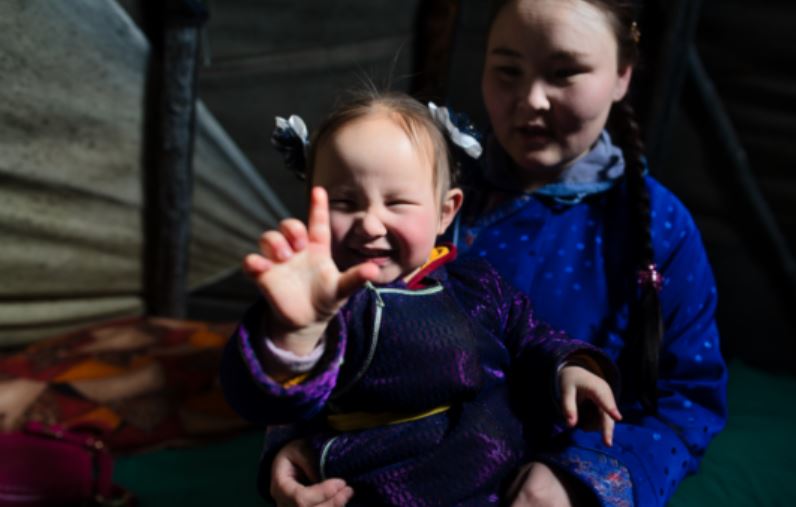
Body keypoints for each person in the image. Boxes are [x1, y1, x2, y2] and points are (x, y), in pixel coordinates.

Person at [265, 0, 728, 505]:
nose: (530, 100)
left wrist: (578, 481)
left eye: (565, 72)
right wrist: (292, 444)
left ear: (622, 75)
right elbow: (329, 340)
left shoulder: (657, 228)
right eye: (508, 70)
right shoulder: (414, 195)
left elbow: (689, 403)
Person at [220, 90, 624, 506]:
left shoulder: (478, 283)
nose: (370, 223)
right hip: (375, 488)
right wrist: (296, 335)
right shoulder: (326, 306)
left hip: (499, 479)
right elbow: (264, 398)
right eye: (344, 202)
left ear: (446, 211)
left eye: (397, 202)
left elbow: (531, 336)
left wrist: (569, 367)